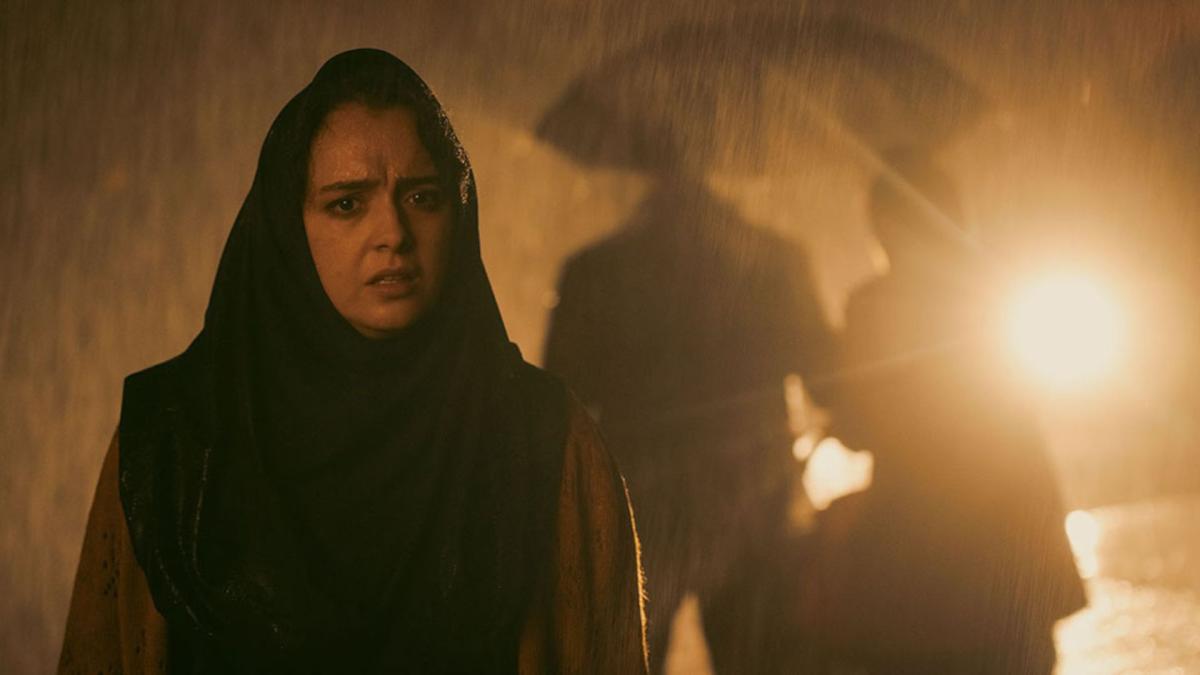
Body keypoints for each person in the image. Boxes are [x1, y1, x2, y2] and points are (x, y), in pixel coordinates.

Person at [58, 49, 647, 674]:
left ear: (460, 211)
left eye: (422, 197)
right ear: (287, 225)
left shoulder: (541, 438)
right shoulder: (173, 441)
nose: (392, 231)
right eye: (347, 203)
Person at [804, 151, 1086, 674]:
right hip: (1016, 524)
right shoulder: (997, 288)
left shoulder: (875, 306)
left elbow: (865, 427)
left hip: (920, 534)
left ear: (886, 224)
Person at [544, 173, 836, 673]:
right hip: (748, 497)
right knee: (758, 659)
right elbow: (829, 378)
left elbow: (561, 397)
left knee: (626, 655)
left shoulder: (598, 271)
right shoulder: (774, 263)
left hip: (642, 499)